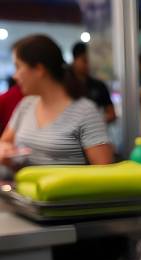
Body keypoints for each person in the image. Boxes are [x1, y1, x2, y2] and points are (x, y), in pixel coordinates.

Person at [0, 35, 113, 168]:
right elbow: (5, 141)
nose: (15, 75)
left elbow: (104, 172)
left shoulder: (85, 111)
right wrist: (5, 150)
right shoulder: (27, 104)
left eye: (18, 67)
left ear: (39, 69)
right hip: (20, 187)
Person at [70, 42, 116, 124]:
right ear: (74, 60)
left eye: (90, 61)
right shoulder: (64, 85)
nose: (88, 64)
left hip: (93, 133)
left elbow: (111, 114)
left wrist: (95, 123)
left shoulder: (99, 86)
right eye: (84, 60)